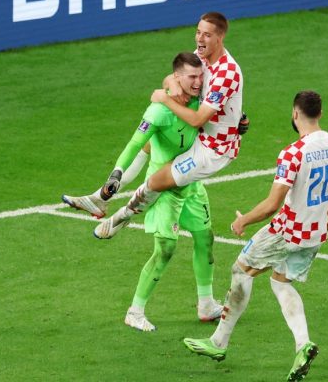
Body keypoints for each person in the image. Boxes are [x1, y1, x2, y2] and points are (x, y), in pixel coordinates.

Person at [182, 91, 328, 382]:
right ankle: (302, 344)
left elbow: (272, 205)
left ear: (296, 114)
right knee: (281, 282)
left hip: (287, 230)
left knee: (241, 269)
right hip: (316, 232)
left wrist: (242, 220)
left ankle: (219, 342)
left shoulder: (293, 153)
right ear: (319, 113)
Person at [77, 52, 222, 329]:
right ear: (179, 78)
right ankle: (135, 311)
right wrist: (116, 174)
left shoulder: (198, 98)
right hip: (164, 187)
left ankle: (206, 304)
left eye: (200, 76)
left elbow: (217, 105)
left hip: (191, 185)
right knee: (166, 249)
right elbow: (134, 144)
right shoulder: (158, 111)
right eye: (192, 77)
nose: (198, 81)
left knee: (205, 240)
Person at [94, 11, 245, 239]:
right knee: (152, 145)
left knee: (156, 181)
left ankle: (121, 217)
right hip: (199, 135)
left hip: (214, 149)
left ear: (220, 38)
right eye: (197, 32)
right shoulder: (202, 57)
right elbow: (174, 76)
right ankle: (102, 199)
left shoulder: (227, 73)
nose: (199, 39)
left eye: (206, 35)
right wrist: (172, 84)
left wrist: (165, 98)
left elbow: (197, 119)